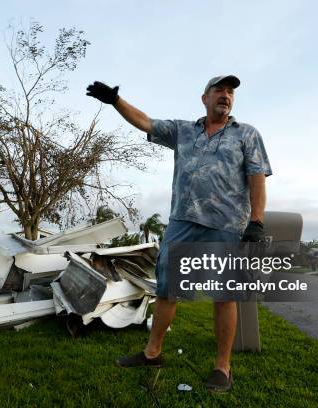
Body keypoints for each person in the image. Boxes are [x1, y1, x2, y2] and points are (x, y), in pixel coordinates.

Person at [86, 75, 272, 392]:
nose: (225, 95)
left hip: (226, 225)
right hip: (182, 222)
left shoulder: (247, 135)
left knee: (224, 296)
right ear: (205, 98)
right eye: (219, 90)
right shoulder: (183, 131)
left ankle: (222, 367)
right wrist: (116, 101)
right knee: (167, 290)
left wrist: (256, 221)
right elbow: (145, 122)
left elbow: (257, 178)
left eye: (230, 92)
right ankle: (152, 353)